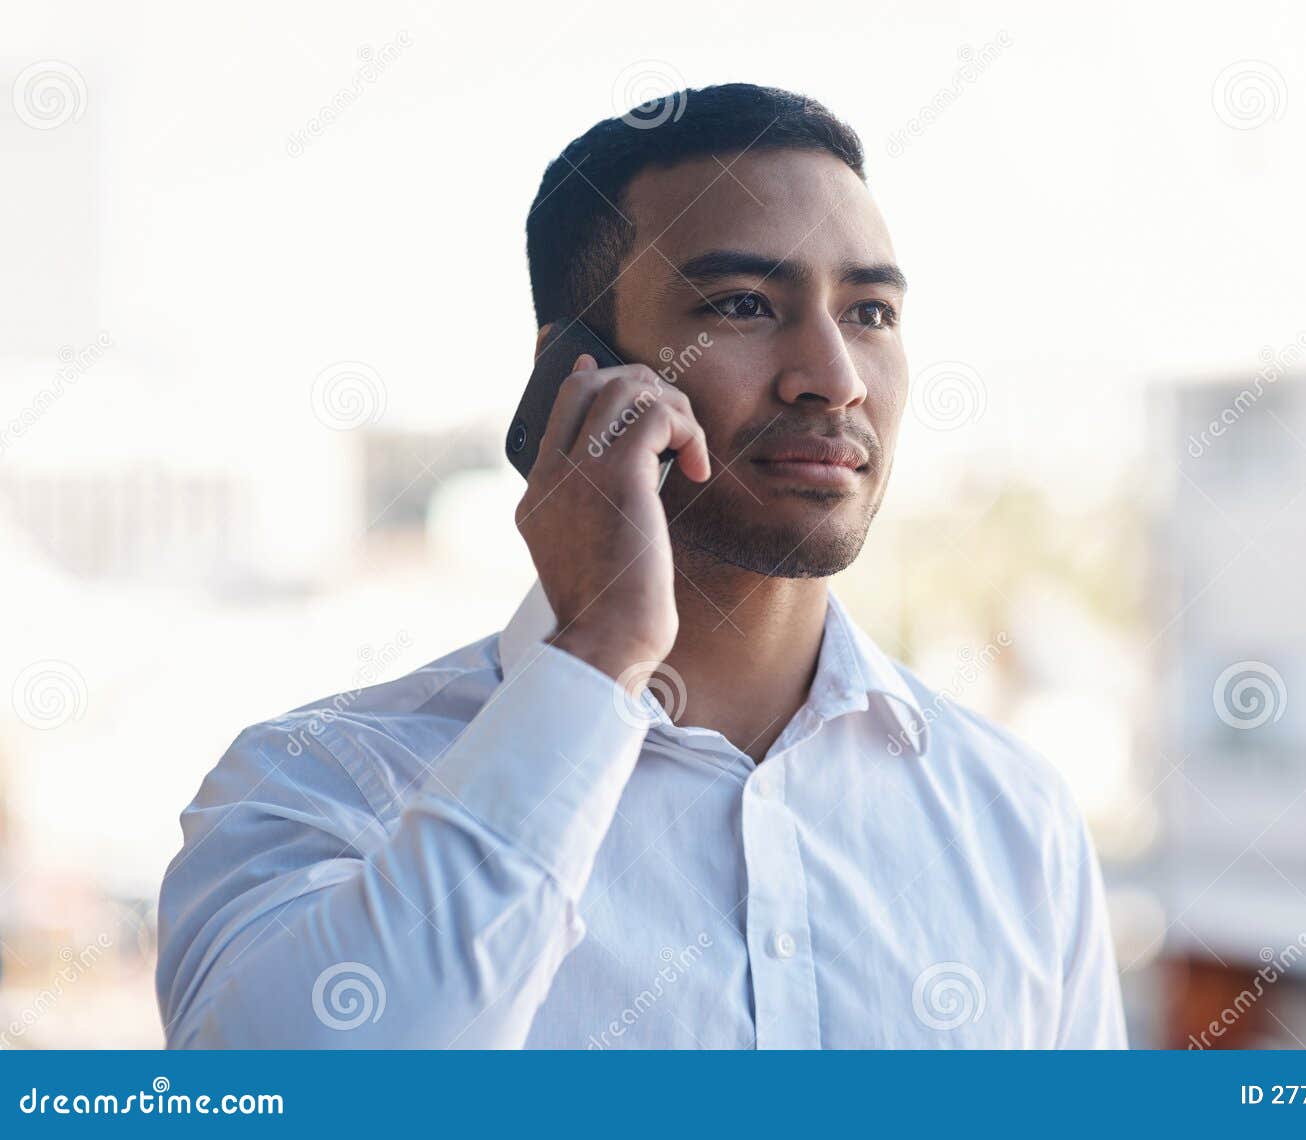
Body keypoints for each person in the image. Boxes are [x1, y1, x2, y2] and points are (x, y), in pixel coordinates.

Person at [156, 82, 1127, 1049]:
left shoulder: (1016, 820)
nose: (833, 377)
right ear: (574, 373)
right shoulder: (319, 786)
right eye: (745, 305)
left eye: (869, 313)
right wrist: (599, 655)